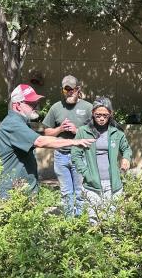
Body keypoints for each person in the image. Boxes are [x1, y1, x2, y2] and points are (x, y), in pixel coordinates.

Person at [0, 84, 95, 199]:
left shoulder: (21, 122)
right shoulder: (12, 124)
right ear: (17, 105)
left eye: (36, 102)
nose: (36, 106)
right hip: (11, 193)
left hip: (20, 190)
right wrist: (75, 142)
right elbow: (40, 141)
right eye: (31, 103)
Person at [71, 96, 132, 222]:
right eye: (98, 115)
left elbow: (126, 149)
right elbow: (75, 155)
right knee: (94, 221)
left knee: (112, 221)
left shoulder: (117, 132)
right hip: (92, 185)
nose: (102, 118)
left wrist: (126, 158)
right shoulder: (83, 131)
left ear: (110, 114)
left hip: (113, 184)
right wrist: (86, 173)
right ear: (93, 113)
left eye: (105, 115)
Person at [42, 75, 93, 217]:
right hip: (60, 156)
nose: (70, 92)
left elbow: (96, 134)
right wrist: (60, 129)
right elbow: (46, 132)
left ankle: (80, 222)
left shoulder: (88, 107)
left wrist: (77, 131)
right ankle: (68, 222)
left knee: (80, 191)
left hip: (80, 155)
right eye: (67, 90)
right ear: (63, 91)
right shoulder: (56, 108)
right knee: (66, 192)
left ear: (78, 89)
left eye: (73, 89)